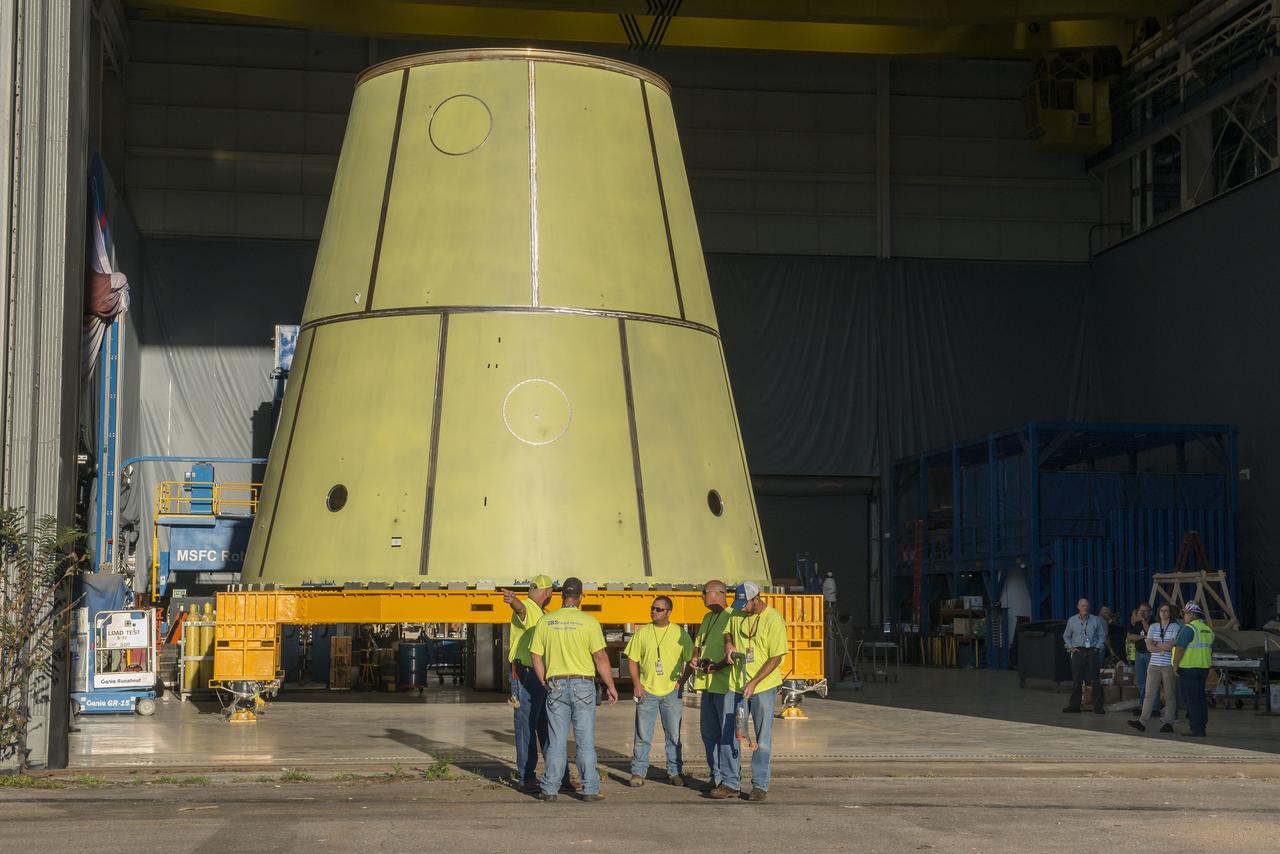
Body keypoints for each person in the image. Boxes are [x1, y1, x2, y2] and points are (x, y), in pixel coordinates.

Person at [529, 576, 618, 802]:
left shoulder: (546, 622)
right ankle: (589, 789)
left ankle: (549, 789)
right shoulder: (589, 622)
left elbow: (536, 657)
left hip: (556, 684)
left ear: (561, 596)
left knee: (556, 741)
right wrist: (611, 685)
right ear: (580, 597)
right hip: (583, 685)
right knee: (585, 741)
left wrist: (543, 681)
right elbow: (600, 657)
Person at [502, 574, 577, 793]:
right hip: (525, 677)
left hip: (540, 676)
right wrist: (513, 600)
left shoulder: (544, 614)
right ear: (548, 593)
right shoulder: (528, 606)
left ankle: (559, 776)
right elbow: (520, 610)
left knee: (548, 727)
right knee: (527, 727)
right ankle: (527, 778)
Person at [716, 580, 788, 802]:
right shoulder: (737, 614)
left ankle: (759, 785)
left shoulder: (773, 619)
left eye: (745, 604)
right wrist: (729, 644)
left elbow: (776, 657)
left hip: (762, 687)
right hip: (736, 684)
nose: (742, 608)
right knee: (729, 733)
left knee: (762, 737)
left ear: (756, 598)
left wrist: (755, 681)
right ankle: (730, 783)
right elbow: (727, 631)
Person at [624, 595, 693, 788]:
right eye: (652, 608)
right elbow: (632, 659)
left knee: (674, 736)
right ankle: (638, 772)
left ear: (669, 612)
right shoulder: (643, 632)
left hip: (671, 692)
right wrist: (636, 683)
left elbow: (691, 658)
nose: (653, 611)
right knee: (643, 735)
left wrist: (682, 680)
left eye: (659, 609)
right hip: (647, 691)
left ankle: (675, 771)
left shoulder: (679, 633)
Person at [681, 579, 734, 792]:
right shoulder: (707, 617)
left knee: (726, 735)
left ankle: (730, 779)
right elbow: (697, 645)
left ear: (719, 593)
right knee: (709, 734)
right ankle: (716, 776)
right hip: (708, 685)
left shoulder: (733, 617)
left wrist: (717, 667)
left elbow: (733, 651)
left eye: (704, 592)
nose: (701, 596)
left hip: (726, 685)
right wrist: (695, 658)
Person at [1128, 603, 1179, 734]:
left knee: (1169, 694)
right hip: (1154, 664)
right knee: (1148, 694)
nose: (1164, 613)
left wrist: (1156, 644)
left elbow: (1170, 646)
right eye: (1161, 610)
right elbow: (1148, 647)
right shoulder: (1153, 626)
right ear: (1158, 612)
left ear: (1170, 613)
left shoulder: (1175, 627)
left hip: (1168, 665)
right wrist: (1160, 647)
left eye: (1166, 611)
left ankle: (1168, 722)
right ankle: (1142, 722)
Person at [1172, 601, 1215, 738]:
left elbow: (1179, 648)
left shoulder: (1189, 628)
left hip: (1189, 669)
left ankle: (1196, 729)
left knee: (1191, 699)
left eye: (1185, 613)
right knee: (1200, 698)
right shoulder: (1207, 629)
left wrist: (1175, 665)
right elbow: (1210, 649)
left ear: (1191, 614)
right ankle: (1201, 725)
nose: (1184, 616)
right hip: (1203, 669)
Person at [1062, 598, 1106, 714]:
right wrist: (1070, 647)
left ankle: (1098, 706)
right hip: (1078, 651)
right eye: (1083, 606)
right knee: (1077, 679)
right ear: (1078, 607)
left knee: (1095, 679)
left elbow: (1102, 635)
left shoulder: (1096, 620)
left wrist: (1097, 648)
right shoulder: (1072, 621)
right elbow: (1066, 636)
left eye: (1086, 606)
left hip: (1092, 650)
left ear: (1089, 607)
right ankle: (1074, 706)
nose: (1085, 608)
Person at [1127, 603, 1156, 716]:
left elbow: (1152, 636)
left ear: (1151, 612)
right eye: (1141, 611)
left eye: (1146, 611)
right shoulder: (1137, 624)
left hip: (1151, 655)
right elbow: (1130, 637)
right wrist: (1143, 637)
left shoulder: (1154, 624)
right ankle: (1143, 706)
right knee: (1141, 681)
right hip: (1140, 655)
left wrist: (1145, 622)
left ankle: (1154, 708)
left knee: (1153, 681)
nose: (1143, 613)